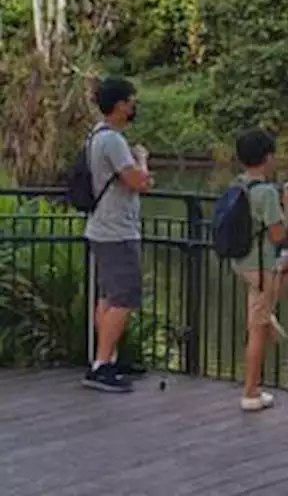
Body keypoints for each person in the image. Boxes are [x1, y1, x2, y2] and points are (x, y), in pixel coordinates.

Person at [82, 76, 153, 393]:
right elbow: (138, 181)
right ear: (120, 104)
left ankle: (106, 358)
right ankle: (102, 366)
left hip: (103, 226)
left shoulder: (96, 136)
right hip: (116, 230)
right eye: (131, 100)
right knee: (124, 296)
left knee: (109, 297)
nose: (134, 105)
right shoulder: (112, 140)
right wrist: (142, 160)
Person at [230, 128, 288, 411]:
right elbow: (278, 235)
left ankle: (268, 309)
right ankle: (251, 392)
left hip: (242, 262)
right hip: (261, 268)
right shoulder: (266, 194)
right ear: (268, 157)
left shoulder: (239, 185)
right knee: (257, 331)